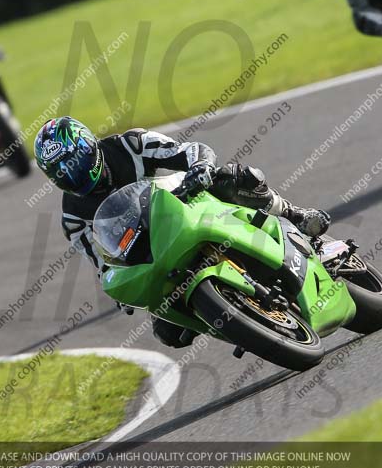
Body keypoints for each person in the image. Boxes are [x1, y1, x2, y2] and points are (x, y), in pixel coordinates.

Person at [34, 116, 331, 348]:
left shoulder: (131, 144)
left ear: (89, 146)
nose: (74, 175)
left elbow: (190, 150)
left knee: (234, 178)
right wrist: (121, 292)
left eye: (76, 163)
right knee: (169, 332)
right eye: (63, 173)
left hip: (187, 199)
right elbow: (103, 265)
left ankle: (295, 215)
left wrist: (200, 166)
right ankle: (243, 322)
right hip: (150, 249)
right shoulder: (73, 218)